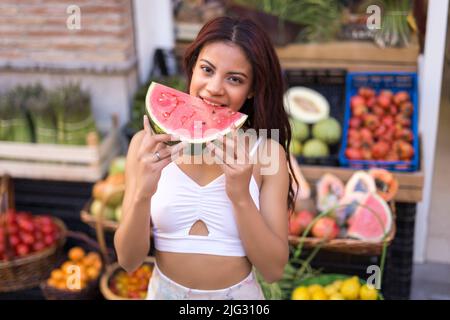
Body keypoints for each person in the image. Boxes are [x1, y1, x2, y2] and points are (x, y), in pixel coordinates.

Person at [114, 16, 298, 300]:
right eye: (207, 70)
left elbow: (273, 270)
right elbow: (128, 261)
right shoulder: (145, 145)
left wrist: (240, 195)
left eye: (234, 79)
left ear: (251, 90)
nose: (214, 87)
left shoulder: (268, 154)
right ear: (192, 68)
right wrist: (143, 193)